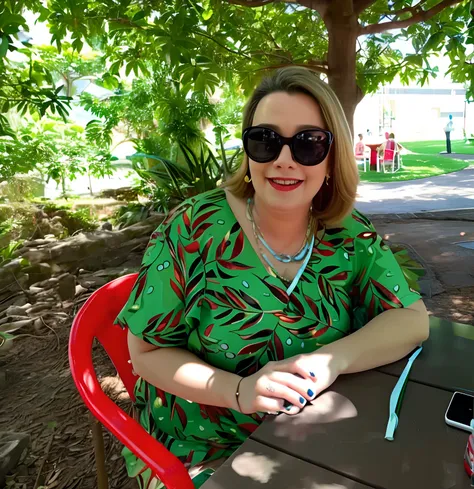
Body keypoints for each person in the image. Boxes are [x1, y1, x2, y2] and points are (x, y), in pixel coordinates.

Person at [115, 66, 429, 489]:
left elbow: (412, 318)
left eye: (308, 143)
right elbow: (146, 352)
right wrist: (240, 391)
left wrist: (330, 359)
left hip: (318, 435)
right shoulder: (195, 229)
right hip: (205, 445)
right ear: (247, 154)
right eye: (265, 140)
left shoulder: (348, 234)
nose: (283, 158)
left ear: (332, 159)